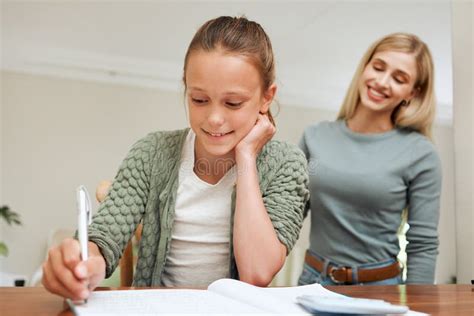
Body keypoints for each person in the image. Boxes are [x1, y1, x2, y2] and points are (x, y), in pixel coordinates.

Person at [42, 16, 309, 300]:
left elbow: (257, 272)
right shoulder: (153, 153)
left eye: (233, 103)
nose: (215, 119)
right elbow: (103, 238)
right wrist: (84, 264)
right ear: (186, 87)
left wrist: (246, 158)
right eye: (199, 100)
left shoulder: (286, 164)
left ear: (267, 97)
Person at [299, 33, 442, 285]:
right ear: (365, 67)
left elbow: (422, 245)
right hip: (313, 283)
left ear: (412, 93)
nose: (382, 82)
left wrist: (420, 307)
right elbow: (287, 214)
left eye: (399, 78)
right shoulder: (315, 139)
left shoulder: (420, 154)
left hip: (379, 290)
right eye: (378, 67)